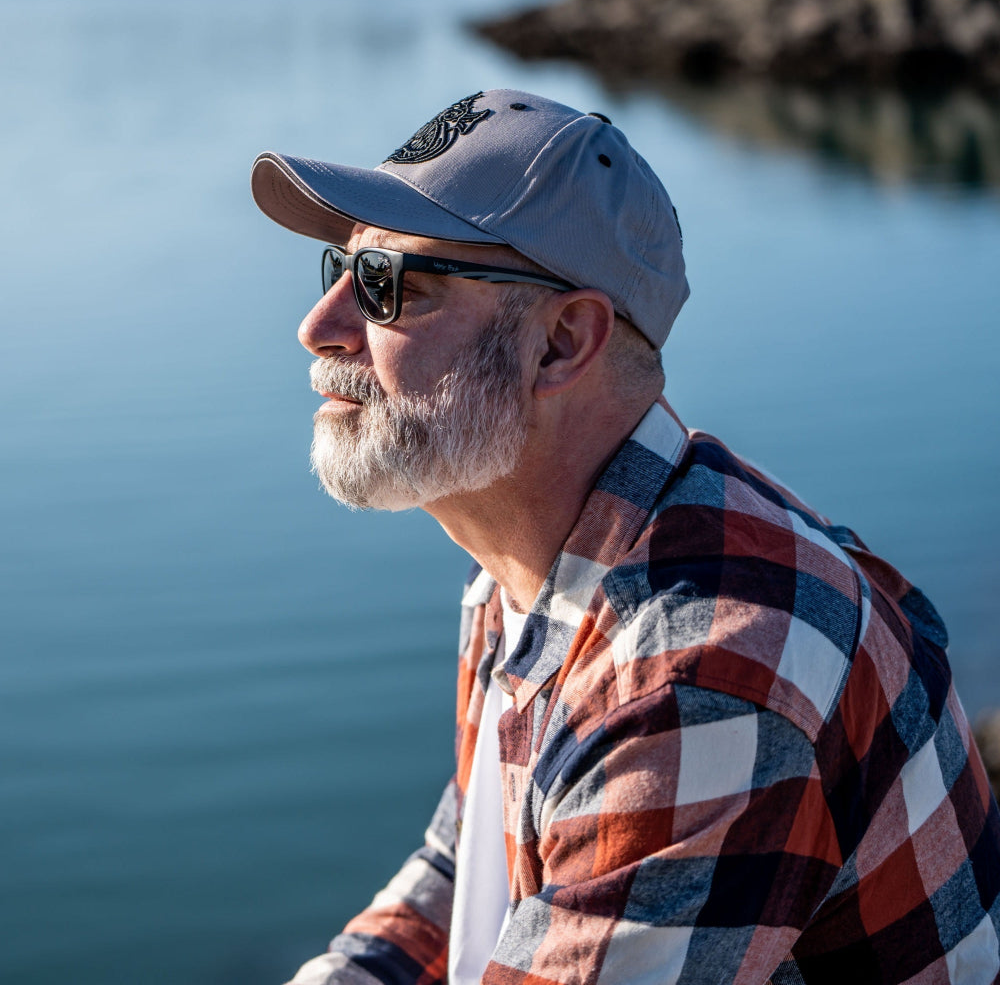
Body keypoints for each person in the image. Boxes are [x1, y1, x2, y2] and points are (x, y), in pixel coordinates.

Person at [251, 89, 1000, 985]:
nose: (319, 327)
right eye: (339, 268)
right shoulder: (531, 572)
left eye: (387, 285)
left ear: (562, 343)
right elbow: (462, 868)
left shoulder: (700, 676)